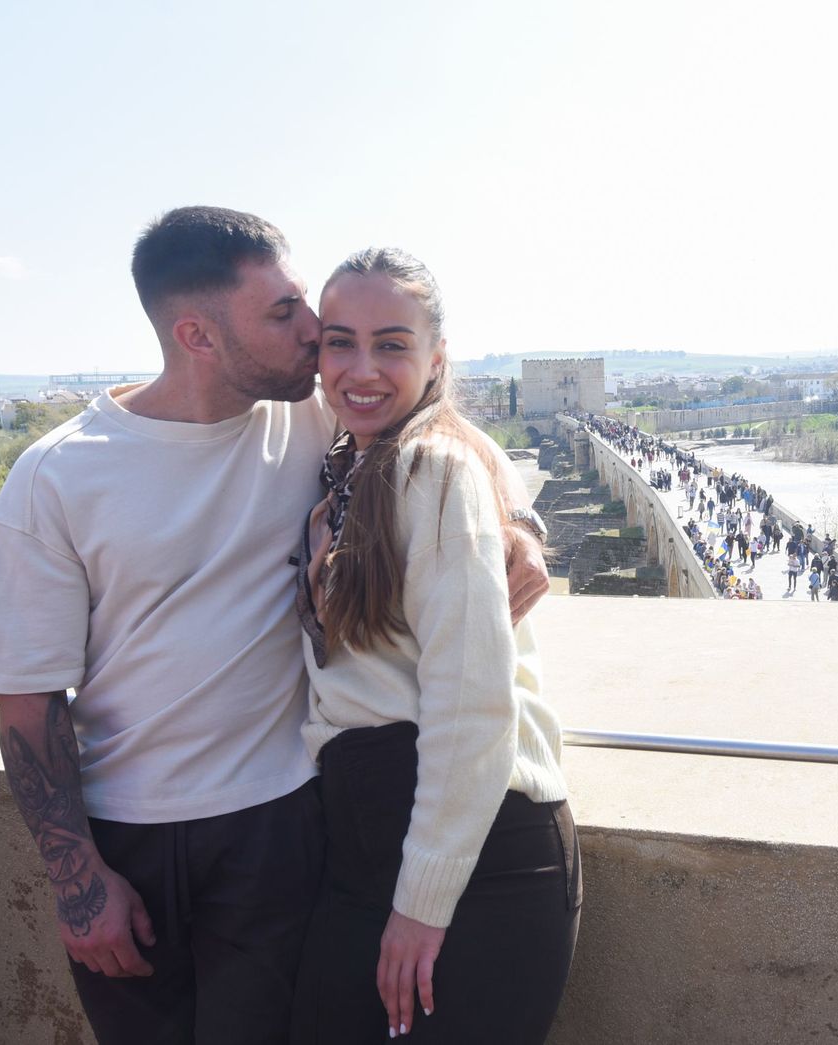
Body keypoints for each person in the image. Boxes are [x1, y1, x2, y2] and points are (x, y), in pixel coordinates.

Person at [0, 208, 549, 1045]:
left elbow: (435, 421)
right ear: (197, 334)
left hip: (282, 830)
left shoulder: (307, 414)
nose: (314, 334)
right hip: (127, 840)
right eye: (284, 314)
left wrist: (517, 519)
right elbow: (27, 700)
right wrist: (77, 879)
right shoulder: (57, 474)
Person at [290, 248, 578, 1045]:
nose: (362, 368)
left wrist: (422, 902)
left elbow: (470, 702)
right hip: (379, 847)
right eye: (340, 342)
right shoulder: (351, 463)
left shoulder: (434, 470)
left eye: (391, 344)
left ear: (435, 359)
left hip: (473, 860)